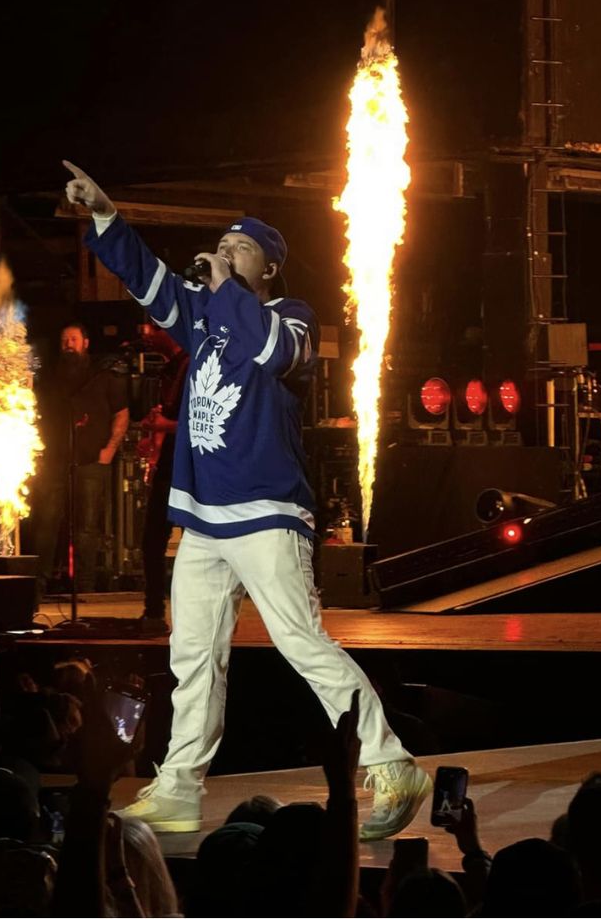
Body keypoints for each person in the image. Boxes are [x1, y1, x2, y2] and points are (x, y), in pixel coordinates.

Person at [62, 160, 432, 841]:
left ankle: (392, 763)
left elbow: (269, 351)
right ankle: (178, 786)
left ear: (268, 269)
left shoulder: (290, 317)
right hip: (206, 519)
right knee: (192, 653)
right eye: (222, 246)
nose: (224, 255)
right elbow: (149, 282)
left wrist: (226, 287)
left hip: (266, 513)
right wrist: (106, 214)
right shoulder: (204, 314)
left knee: (301, 642)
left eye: (241, 250)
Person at [32, 322, 129, 594]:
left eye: (73, 339)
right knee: (47, 523)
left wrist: (109, 450)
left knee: (86, 528)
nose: (68, 344)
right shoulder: (51, 377)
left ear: (85, 343)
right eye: (64, 339)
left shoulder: (102, 375)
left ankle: (84, 588)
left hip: (91, 461)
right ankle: (40, 584)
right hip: (55, 461)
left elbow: (121, 414)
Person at [135, 322, 189, 634]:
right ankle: (154, 611)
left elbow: (196, 424)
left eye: (154, 330)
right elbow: (169, 417)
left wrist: (162, 427)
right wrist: (153, 440)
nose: (149, 338)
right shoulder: (170, 370)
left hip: (191, 469)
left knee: (199, 544)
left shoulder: (192, 365)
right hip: (169, 465)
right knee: (152, 539)